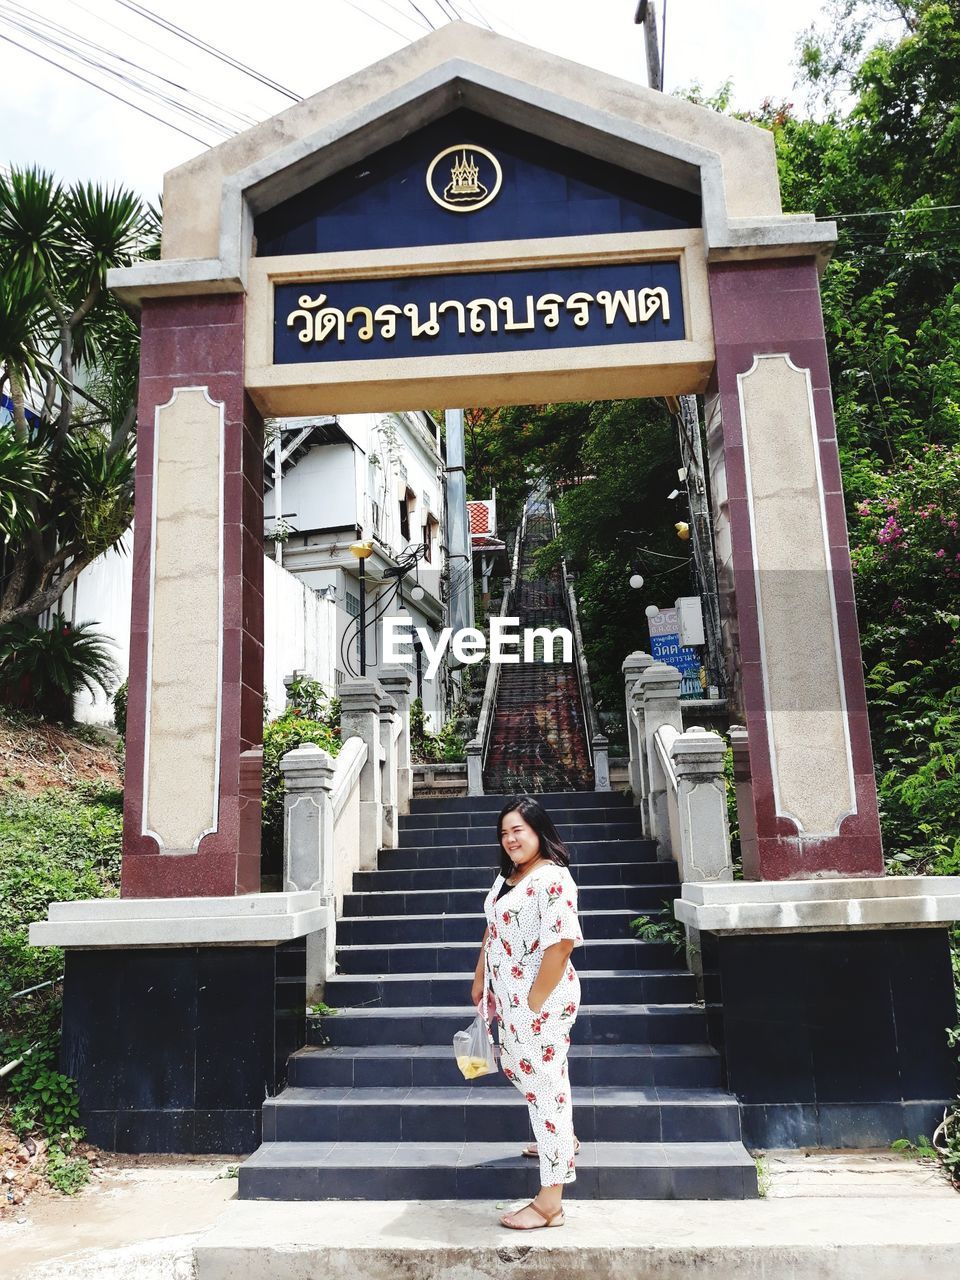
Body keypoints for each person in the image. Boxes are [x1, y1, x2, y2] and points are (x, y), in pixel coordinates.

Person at [471, 796, 584, 1231]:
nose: (510, 838)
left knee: (546, 1083)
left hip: (544, 1001)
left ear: (538, 830)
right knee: (520, 1069)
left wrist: (533, 1003)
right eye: (504, 832)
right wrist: (482, 977)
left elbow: (562, 944)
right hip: (511, 1000)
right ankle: (562, 1137)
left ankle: (550, 1202)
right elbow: (492, 927)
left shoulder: (553, 879)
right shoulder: (508, 877)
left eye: (518, 829)